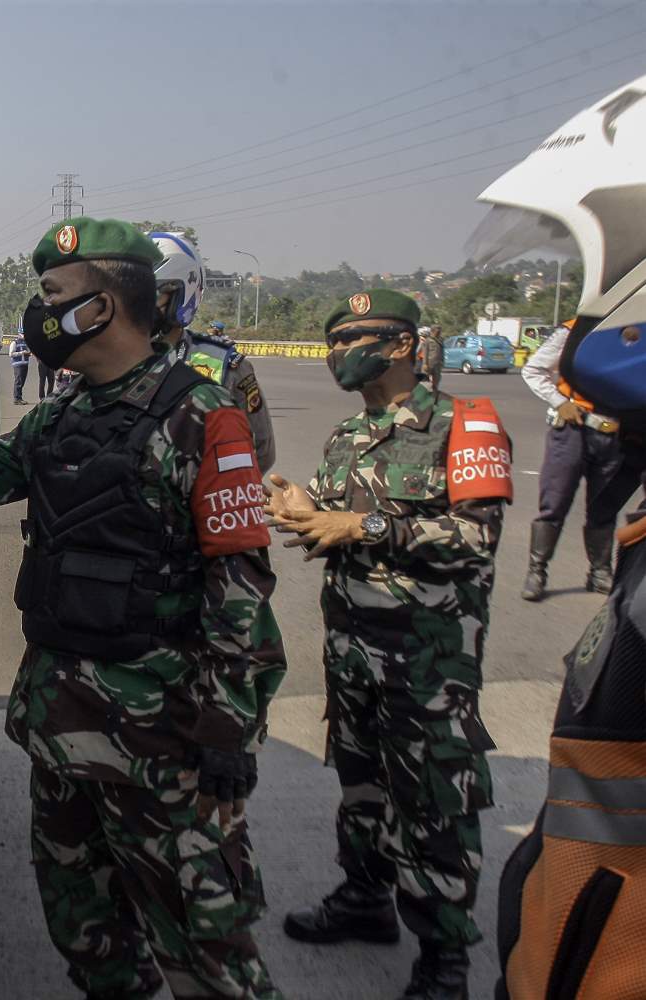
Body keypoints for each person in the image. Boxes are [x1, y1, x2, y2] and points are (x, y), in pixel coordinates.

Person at [0, 219, 284, 998]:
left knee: (208, 953)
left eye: (52, 297)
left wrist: (228, 731)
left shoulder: (204, 416)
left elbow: (239, 586)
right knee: (86, 931)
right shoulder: (58, 418)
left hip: (161, 739)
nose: (40, 315)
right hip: (61, 729)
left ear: (102, 307)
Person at [265, 290, 510, 1000]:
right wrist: (307, 513)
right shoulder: (348, 435)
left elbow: (476, 540)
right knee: (362, 786)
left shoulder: (465, 424)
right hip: (351, 651)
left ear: (402, 345)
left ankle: (445, 958)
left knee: (434, 803)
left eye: (355, 338)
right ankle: (366, 899)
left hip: (427, 660)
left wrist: (361, 528)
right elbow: (335, 522)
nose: (340, 351)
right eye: (334, 340)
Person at [477, 73, 646, 1000]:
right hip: (570, 944)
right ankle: (546, 567)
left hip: (601, 958)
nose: (594, 318)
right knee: (559, 514)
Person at [518, 320, 641, 600]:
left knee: (604, 506)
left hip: (618, 434)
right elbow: (534, 369)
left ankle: (599, 572)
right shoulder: (577, 329)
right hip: (573, 430)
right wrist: (560, 401)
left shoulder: (641, 329)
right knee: (555, 502)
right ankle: (537, 571)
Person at [149, 232, 277, 472]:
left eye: (153, 294)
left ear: (182, 293)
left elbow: (260, 451)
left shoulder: (224, 366)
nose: (138, 305)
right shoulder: (110, 359)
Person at [417, 325, 445, 391]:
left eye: (439, 331)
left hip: (438, 363)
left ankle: (434, 392)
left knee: (437, 379)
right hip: (429, 363)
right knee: (424, 381)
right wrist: (425, 364)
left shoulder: (440, 340)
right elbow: (425, 353)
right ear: (432, 331)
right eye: (437, 331)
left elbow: (442, 352)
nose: (438, 332)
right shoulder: (428, 341)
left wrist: (442, 361)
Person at [9, 331, 31, 403]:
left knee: (22, 382)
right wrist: (21, 353)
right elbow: (11, 354)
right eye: (23, 334)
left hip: (25, 364)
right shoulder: (14, 343)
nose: (24, 335)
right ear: (19, 334)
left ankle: (19, 398)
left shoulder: (25, 343)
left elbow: (28, 352)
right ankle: (17, 398)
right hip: (18, 365)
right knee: (18, 381)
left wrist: (28, 353)